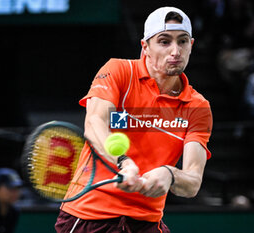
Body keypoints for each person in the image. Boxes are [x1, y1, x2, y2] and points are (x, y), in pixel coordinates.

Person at [55, 6, 213, 233]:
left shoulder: (198, 107)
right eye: (164, 41)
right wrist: (123, 162)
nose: (175, 51)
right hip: (90, 216)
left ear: (191, 46)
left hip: (146, 222)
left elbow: (192, 182)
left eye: (183, 41)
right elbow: (95, 123)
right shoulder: (119, 71)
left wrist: (169, 174)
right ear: (145, 47)